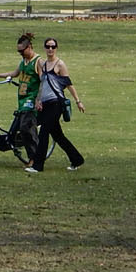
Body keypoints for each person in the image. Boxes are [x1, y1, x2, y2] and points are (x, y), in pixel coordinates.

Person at [27, 37, 86, 173]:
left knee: (44, 133)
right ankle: (77, 159)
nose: (50, 49)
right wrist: (38, 100)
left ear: (56, 48)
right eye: (48, 46)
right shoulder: (42, 64)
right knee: (58, 136)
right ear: (44, 48)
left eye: (53, 47)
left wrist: (78, 101)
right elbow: (42, 84)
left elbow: (69, 84)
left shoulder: (60, 65)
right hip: (45, 104)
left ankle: (38, 166)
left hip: (56, 104)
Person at [0, 32, 43, 159]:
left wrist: (38, 99)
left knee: (26, 129)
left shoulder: (38, 62)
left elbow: (43, 82)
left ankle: (33, 158)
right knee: (19, 129)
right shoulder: (24, 61)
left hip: (31, 100)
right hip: (22, 99)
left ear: (29, 47)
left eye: (22, 51)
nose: (20, 53)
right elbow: (15, 73)